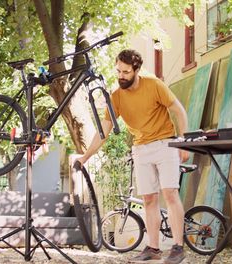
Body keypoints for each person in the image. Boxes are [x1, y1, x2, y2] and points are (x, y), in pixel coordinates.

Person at [76, 49, 189, 264]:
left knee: (170, 193)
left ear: (136, 70)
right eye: (118, 71)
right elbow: (103, 132)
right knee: (148, 199)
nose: (121, 76)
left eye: (126, 72)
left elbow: (179, 110)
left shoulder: (154, 85)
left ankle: (177, 247)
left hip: (166, 143)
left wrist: (183, 142)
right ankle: (154, 248)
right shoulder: (116, 97)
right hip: (140, 148)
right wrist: (85, 157)